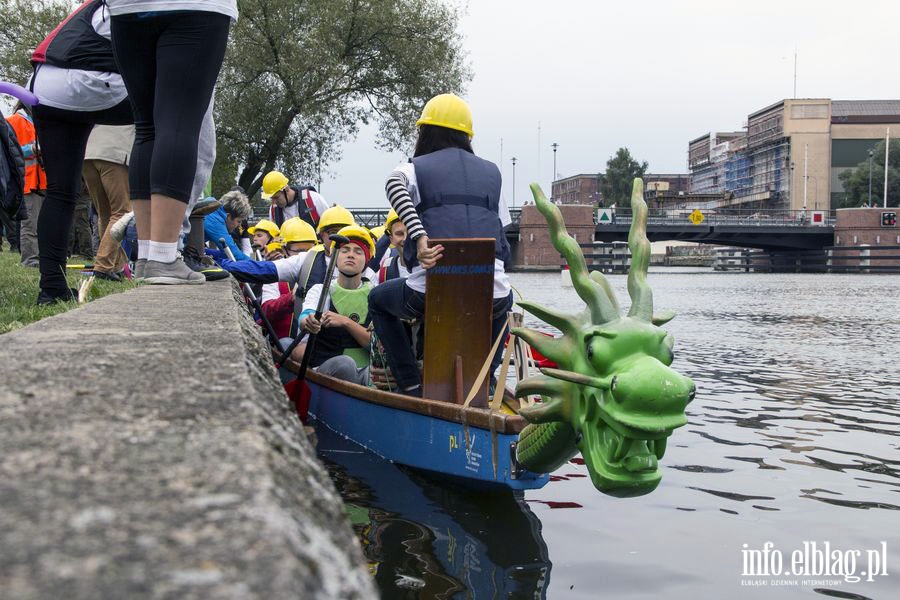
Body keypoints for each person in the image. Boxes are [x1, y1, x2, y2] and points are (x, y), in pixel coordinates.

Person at [368, 93, 514, 397]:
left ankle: (410, 385)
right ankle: (485, 385)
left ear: (426, 132)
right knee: (505, 300)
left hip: (431, 291)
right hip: (493, 294)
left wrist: (419, 235)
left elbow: (393, 184)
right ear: (466, 135)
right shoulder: (493, 174)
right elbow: (503, 228)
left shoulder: (415, 167)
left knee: (379, 300)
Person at [107, 0, 236, 285]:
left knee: (146, 128)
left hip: (126, 8)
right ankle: (164, 258)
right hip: (195, 8)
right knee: (178, 124)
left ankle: (146, 257)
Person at [293, 225, 376, 385]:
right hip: (330, 368)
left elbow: (376, 345)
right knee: (345, 364)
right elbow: (306, 316)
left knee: (375, 373)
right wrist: (308, 321)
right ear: (335, 258)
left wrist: (346, 322)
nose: (351, 255)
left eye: (358, 252)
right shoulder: (320, 290)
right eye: (345, 251)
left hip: (365, 373)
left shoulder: (376, 294)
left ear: (366, 260)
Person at [81, 124, 135, 281]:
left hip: (89, 153)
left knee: (105, 214)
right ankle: (103, 267)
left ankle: (117, 266)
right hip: (115, 152)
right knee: (121, 212)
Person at [6, 103, 45, 264]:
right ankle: (30, 260)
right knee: (30, 224)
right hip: (28, 181)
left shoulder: (38, 121)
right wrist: (31, 149)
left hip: (43, 182)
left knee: (41, 224)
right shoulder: (14, 121)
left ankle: (41, 257)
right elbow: (8, 150)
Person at [260, 170, 329, 228]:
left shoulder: (314, 198)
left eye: (276, 197)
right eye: (271, 198)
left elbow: (329, 223)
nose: (274, 202)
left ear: (286, 189)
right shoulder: (273, 210)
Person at [203, 190, 252, 262]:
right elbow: (234, 254)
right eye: (238, 221)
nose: (239, 225)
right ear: (228, 216)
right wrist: (261, 266)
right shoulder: (215, 220)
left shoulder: (213, 211)